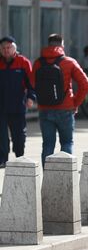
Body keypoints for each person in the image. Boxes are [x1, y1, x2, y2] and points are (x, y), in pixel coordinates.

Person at [31, 34, 88, 166]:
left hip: (45, 109)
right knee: (67, 143)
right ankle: (65, 176)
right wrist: (75, 103)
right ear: (61, 45)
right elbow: (85, 84)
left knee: (47, 145)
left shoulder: (38, 63)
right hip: (65, 108)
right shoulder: (69, 62)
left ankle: (48, 179)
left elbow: (33, 84)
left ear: (48, 44)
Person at [0, 36, 35, 168]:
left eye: (8, 47)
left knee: (19, 136)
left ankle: (19, 157)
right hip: (1, 107)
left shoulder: (23, 62)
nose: (6, 50)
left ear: (14, 48)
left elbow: (31, 83)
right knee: (1, 137)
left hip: (17, 106)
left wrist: (31, 97)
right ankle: (2, 159)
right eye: (3, 48)